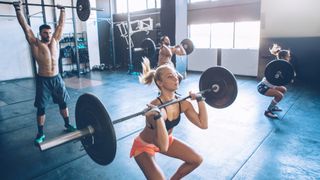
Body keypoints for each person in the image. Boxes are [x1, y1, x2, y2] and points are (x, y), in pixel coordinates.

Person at [13, 1, 76, 144]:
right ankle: (40, 133)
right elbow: (25, 27)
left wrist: (63, 11)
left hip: (57, 79)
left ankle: (67, 124)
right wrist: (18, 9)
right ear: (40, 34)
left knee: (63, 103)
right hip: (44, 80)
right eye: (45, 33)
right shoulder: (35, 43)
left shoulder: (55, 41)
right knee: (41, 108)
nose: (48, 35)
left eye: (49, 32)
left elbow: (61, 25)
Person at [132, 63, 208, 179]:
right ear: (160, 83)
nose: (175, 78)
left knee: (196, 159)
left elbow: (203, 124)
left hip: (167, 140)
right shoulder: (155, 108)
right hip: (145, 145)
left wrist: (200, 99)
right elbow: (163, 147)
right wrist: (158, 117)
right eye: (169, 76)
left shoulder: (182, 103)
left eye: (175, 75)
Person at [257, 44, 293, 119]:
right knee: (280, 95)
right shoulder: (275, 65)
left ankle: (273, 106)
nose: (289, 57)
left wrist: (290, 78)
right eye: (288, 56)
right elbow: (274, 76)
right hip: (263, 87)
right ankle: (268, 111)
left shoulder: (284, 66)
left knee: (284, 89)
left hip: (270, 85)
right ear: (283, 57)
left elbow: (284, 77)